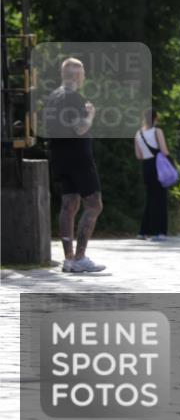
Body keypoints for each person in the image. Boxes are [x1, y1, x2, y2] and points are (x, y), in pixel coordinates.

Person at [43, 57, 105, 273]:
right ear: (78, 76)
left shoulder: (53, 97)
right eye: (83, 73)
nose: (84, 77)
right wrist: (90, 116)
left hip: (59, 156)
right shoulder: (74, 98)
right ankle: (80, 257)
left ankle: (68, 259)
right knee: (94, 205)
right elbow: (80, 128)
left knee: (69, 204)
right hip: (79, 158)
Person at [134, 108, 170, 242]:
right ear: (156, 118)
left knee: (150, 198)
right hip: (158, 166)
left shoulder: (138, 133)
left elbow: (138, 155)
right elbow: (164, 151)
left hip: (146, 166)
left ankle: (143, 231)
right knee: (160, 199)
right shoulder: (157, 131)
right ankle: (159, 232)